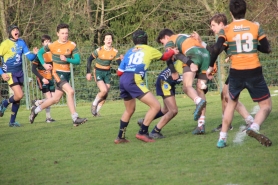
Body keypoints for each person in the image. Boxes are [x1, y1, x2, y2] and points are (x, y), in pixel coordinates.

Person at [207, 0, 272, 148]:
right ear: (245, 10)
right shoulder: (255, 27)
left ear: (231, 13)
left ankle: (222, 138)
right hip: (254, 70)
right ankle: (254, 127)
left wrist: (210, 67)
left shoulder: (227, 29)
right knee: (266, 105)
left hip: (236, 71)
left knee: (231, 104)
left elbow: (217, 49)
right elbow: (267, 48)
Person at [114, 29, 179, 144]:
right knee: (156, 106)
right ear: (146, 40)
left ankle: (120, 137)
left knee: (129, 110)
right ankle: (142, 132)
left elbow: (119, 72)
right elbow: (164, 57)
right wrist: (173, 51)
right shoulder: (149, 49)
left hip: (123, 79)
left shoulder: (130, 51)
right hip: (134, 79)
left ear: (134, 41)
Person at [200, 13, 254, 132]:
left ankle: (250, 121)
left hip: (240, 67)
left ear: (221, 24)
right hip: (240, 66)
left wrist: (209, 67)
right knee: (224, 94)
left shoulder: (226, 32)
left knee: (229, 96)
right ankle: (227, 123)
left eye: (213, 25)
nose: (212, 28)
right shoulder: (230, 31)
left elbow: (215, 51)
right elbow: (215, 49)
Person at [29, 23, 87, 126]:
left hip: (66, 74)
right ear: (57, 34)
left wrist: (67, 59)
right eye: (62, 33)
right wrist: (44, 64)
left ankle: (36, 110)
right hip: (57, 73)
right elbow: (39, 53)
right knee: (70, 91)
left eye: (66, 33)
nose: (65, 35)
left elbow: (78, 60)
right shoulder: (52, 45)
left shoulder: (72, 45)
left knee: (55, 99)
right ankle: (75, 118)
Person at [156, 29, 209, 135]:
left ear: (166, 37)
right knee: (200, 89)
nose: (164, 45)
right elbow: (206, 47)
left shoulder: (171, 39)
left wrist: (181, 67)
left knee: (186, 86)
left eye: (163, 42)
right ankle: (201, 125)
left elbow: (169, 55)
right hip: (205, 55)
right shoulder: (185, 36)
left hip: (193, 55)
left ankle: (198, 101)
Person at [137, 56, 186, 139]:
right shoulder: (187, 61)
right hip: (165, 82)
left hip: (167, 82)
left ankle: (144, 121)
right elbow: (169, 59)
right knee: (173, 111)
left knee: (166, 109)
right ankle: (155, 131)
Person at [0, 25, 38, 127]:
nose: (16, 31)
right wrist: (2, 73)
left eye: (17, 30)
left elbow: (30, 57)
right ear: (10, 33)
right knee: (19, 94)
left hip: (19, 72)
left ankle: (12, 121)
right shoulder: (4, 44)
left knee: (18, 98)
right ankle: (5, 103)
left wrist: (35, 54)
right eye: (13, 30)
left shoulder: (21, 42)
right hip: (9, 73)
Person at [86, 33, 122, 117]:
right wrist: (88, 72)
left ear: (112, 40)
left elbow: (119, 63)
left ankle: (96, 112)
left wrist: (123, 64)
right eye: (107, 38)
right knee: (104, 90)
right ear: (104, 40)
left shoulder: (115, 51)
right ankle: (94, 104)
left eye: (110, 38)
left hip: (107, 73)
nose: (109, 40)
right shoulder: (99, 50)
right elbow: (89, 59)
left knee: (105, 93)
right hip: (98, 71)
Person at [31, 34, 56, 123]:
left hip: (51, 78)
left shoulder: (53, 53)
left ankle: (38, 103)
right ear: (42, 44)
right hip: (43, 79)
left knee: (54, 98)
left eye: (49, 41)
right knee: (49, 98)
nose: (48, 43)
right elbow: (33, 69)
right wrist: (42, 78)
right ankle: (48, 118)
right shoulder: (40, 55)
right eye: (46, 42)